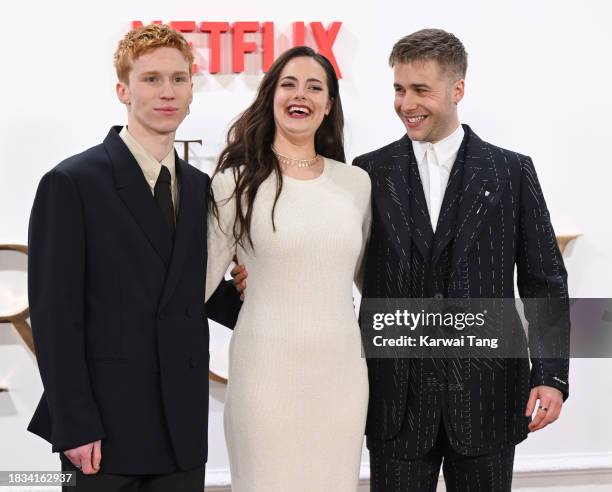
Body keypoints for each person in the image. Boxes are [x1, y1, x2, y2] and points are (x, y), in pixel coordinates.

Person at [352, 29, 570, 491]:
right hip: (395, 404)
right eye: (398, 88)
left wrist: (551, 375)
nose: (405, 103)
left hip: (488, 398)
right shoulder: (368, 171)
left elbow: (544, 280)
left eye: (420, 90)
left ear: (457, 89)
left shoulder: (511, 171)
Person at [27, 24, 241, 491]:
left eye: (179, 79)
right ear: (123, 90)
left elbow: (186, 290)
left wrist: (252, 293)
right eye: (152, 79)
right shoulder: (73, 183)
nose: (168, 92)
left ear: (191, 89)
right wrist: (76, 424)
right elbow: (54, 317)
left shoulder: (199, 186)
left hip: (181, 428)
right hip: (103, 433)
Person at [205, 46, 372, 491]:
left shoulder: (356, 183)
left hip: (341, 378)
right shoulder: (234, 183)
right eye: (289, 84)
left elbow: (375, 283)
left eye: (315, 87)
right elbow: (196, 285)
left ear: (329, 104)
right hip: (264, 375)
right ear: (271, 96)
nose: (301, 95)